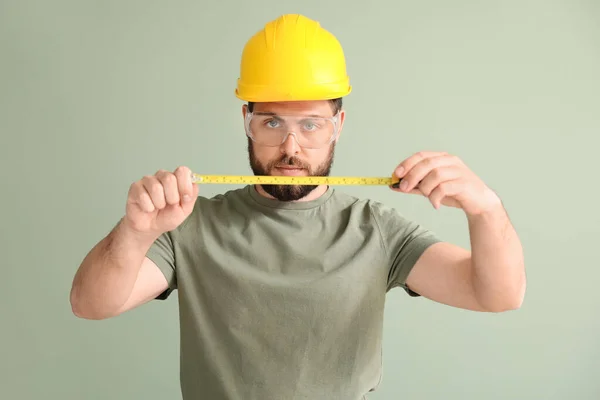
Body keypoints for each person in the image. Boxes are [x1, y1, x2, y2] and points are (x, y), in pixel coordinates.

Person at [70, 13, 526, 400]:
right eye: (271, 122)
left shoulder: (376, 229)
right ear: (246, 123)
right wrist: (136, 231)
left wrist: (485, 209)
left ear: (338, 126)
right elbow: (91, 305)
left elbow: (498, 295)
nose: (290, 147)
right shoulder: (190, 225)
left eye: (311, 125)